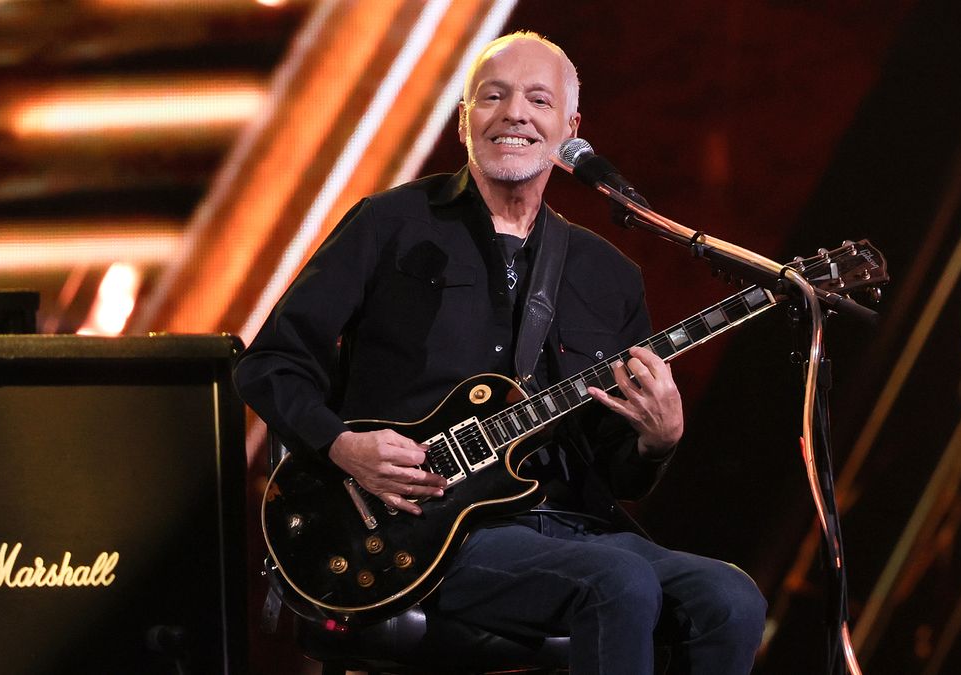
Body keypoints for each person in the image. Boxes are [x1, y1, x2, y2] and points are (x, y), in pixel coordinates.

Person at [234, 30, 766, 674]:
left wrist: (658, 441)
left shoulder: (609, 275)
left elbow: (616, 474)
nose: (515, 112)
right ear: (465, 121)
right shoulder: (388, 225)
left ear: (569, 131)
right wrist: (344, 445)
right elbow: (269, 363)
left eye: (538, 100)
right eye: (493, 96)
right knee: (618, 581)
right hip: (428, 529)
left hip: (572, 527)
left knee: (730, 599)